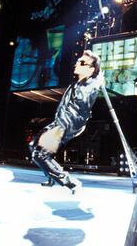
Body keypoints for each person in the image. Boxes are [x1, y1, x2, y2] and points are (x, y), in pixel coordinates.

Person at [30, 50, 104, 193]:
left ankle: (70, 183)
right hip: (61, 122)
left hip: (67, 124)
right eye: (78, 60)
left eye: (82, 62)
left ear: (91, 69)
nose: (77, 63)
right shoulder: (79, 83)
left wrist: (98, 79)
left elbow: (81, 107)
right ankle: (52, 177)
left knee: (39, 154)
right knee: (34, 146)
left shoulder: (89, 86)